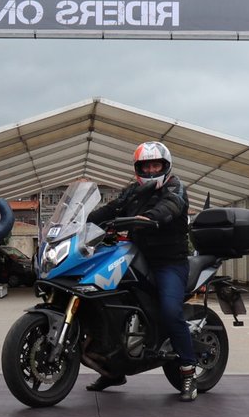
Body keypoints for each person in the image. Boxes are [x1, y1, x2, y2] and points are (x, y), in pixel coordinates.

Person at [85, 141, 199, 402]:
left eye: (155, 165)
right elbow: (112, 208)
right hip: (135, 258)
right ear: (138, 168)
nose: (150, 170)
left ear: (165, 166)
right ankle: (112, 369)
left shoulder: (175, 187)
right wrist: (84, 220)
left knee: (170, 311)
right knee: (103, 301)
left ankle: (188, 371)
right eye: (145, 166)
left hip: (169, 262)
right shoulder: (133, 192)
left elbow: (170, 206)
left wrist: (151, 218)